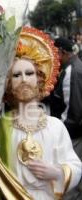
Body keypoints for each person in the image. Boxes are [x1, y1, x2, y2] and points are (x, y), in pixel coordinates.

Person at [0, 27, 82, 200]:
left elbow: (75, 165)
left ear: (39, 80)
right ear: (8, 84)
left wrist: (56, 172)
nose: (24, 79)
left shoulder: (55, 126)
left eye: (29, 73)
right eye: (16, 75)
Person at [50, 37, 82, 199]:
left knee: (71, 180)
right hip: (73, 131)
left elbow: (73, 111)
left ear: (62, 52)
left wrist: (57, 132)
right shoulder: (72, 66)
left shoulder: (72, 71)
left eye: (55, 54)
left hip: (73, 133)